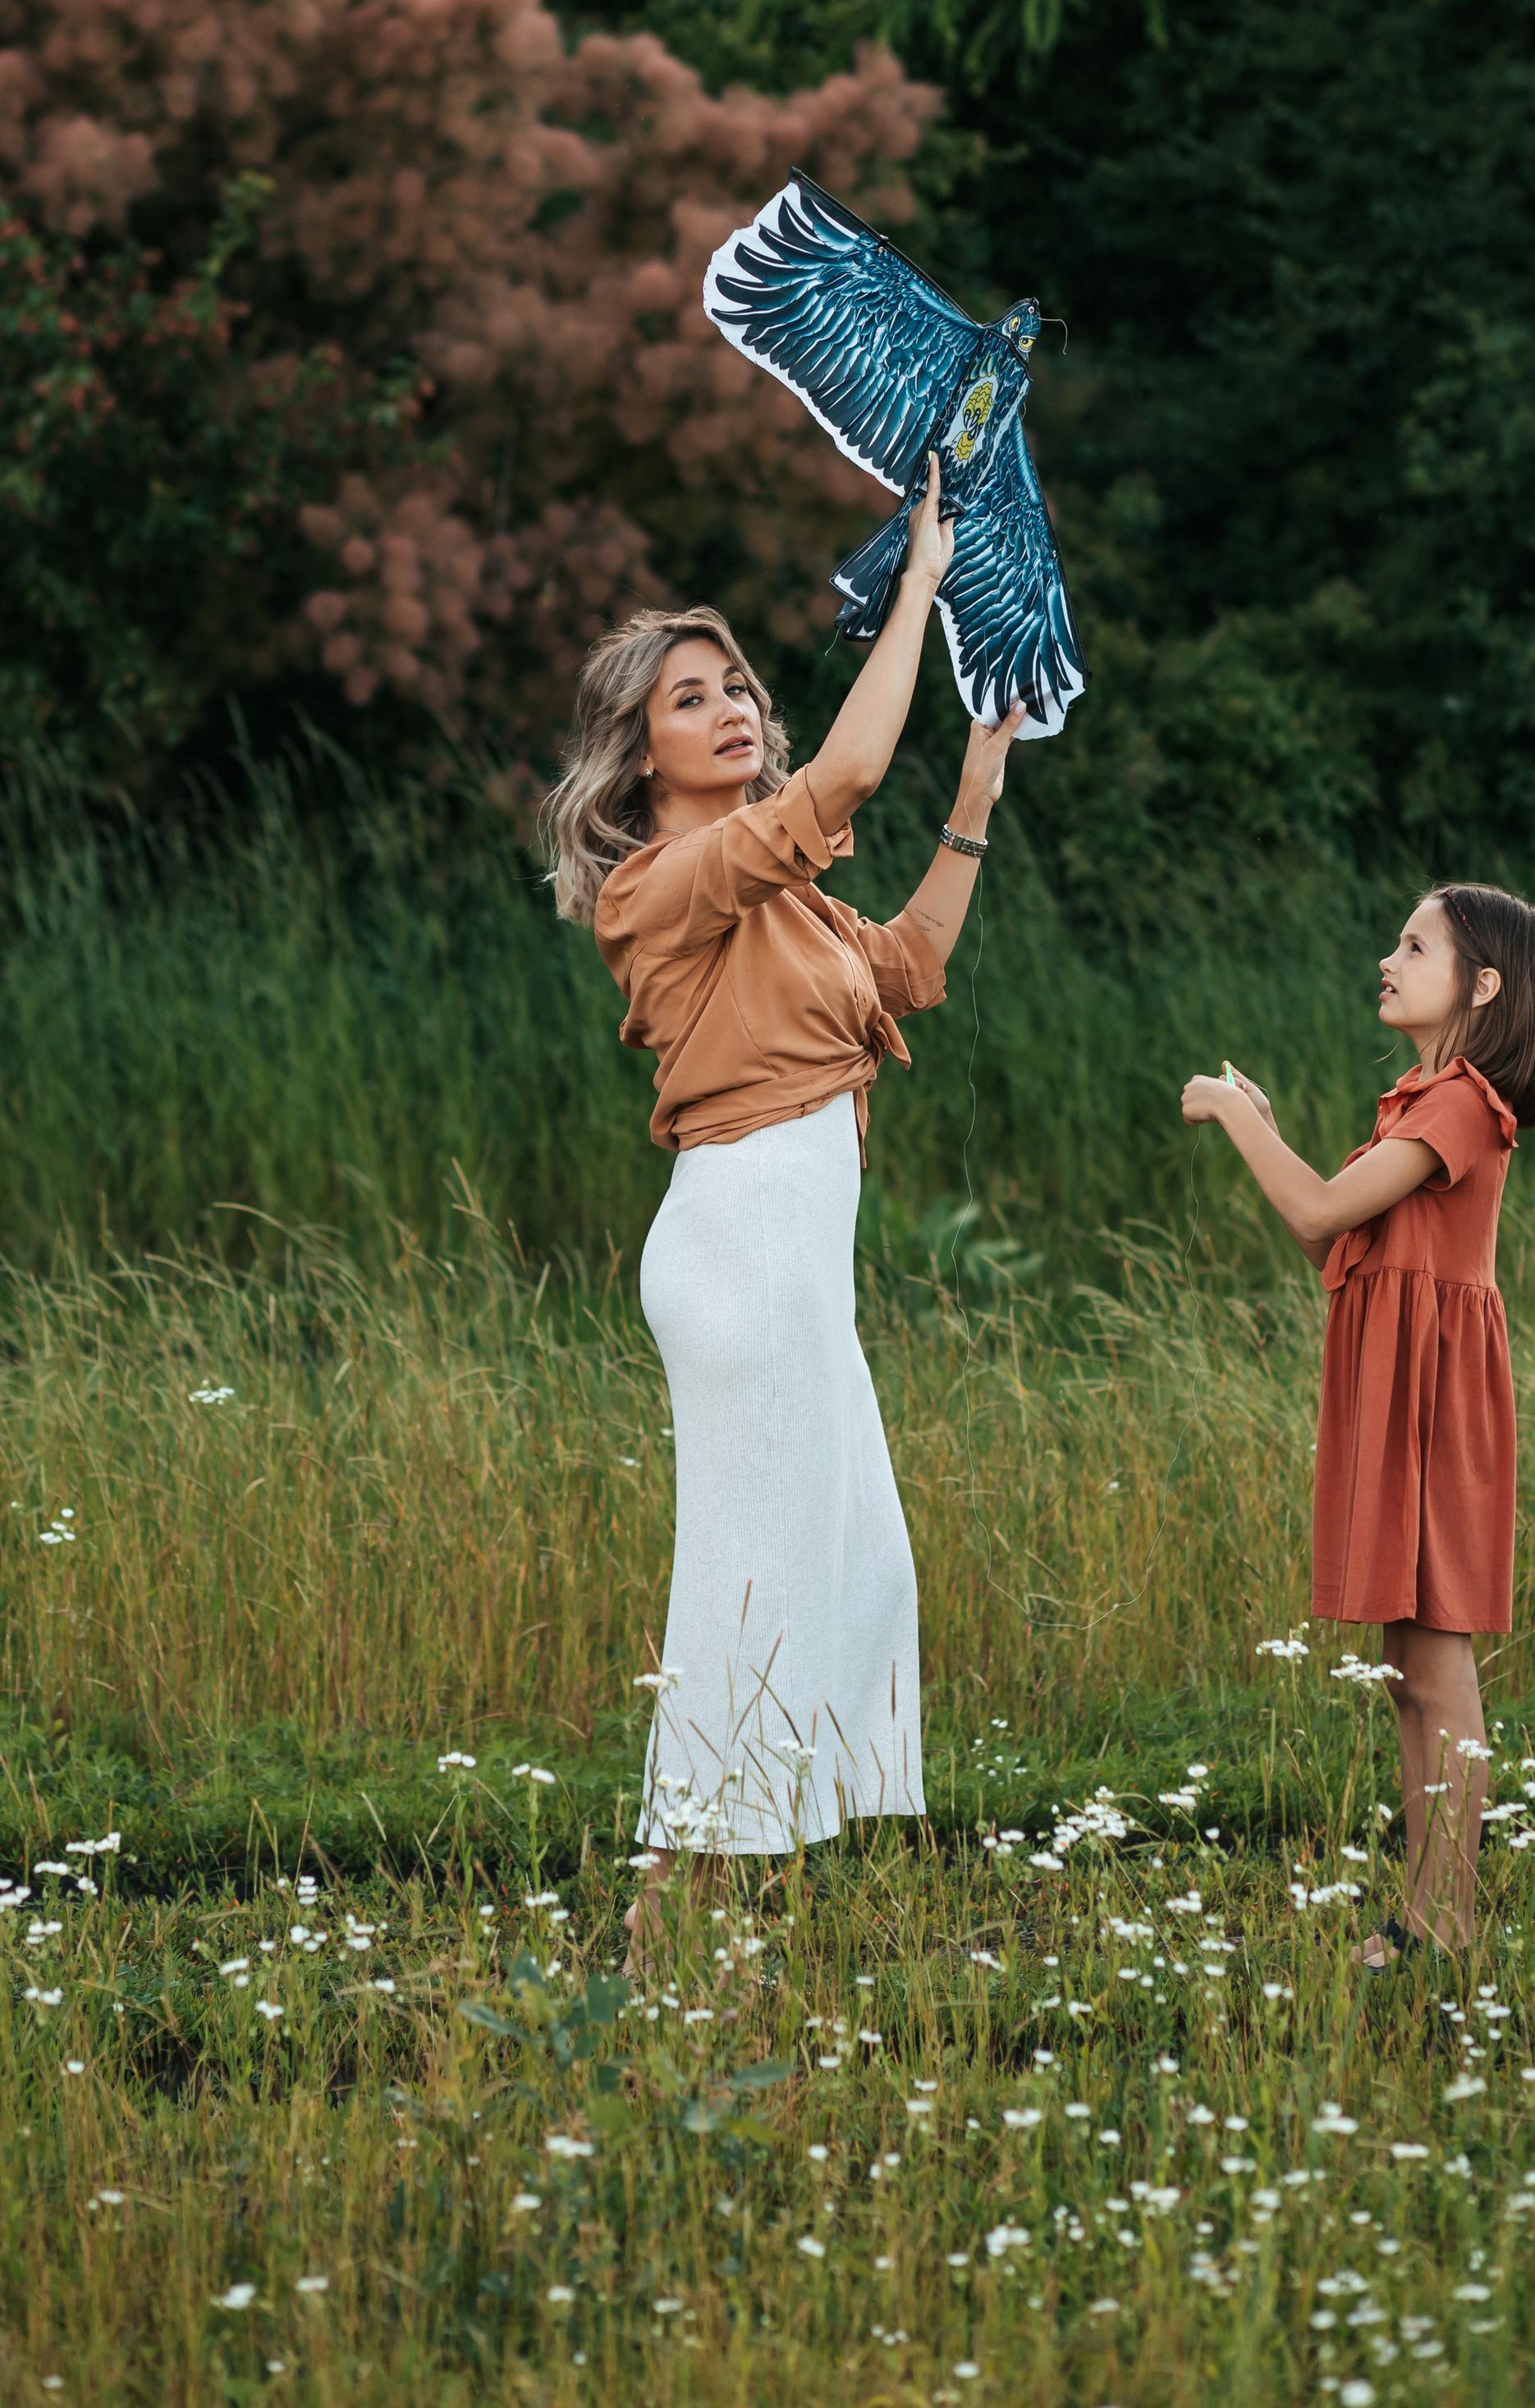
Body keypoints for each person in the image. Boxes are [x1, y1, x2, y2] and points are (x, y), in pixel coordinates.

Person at [543, 456, 1022, 1963]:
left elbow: (905, 976)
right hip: (744, 1247)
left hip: (800, 1261)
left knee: (854, 1564)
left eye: (737, 680)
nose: (733, 703)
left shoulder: (790, 900)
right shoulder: (664, 884)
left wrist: (975, 797)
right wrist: (924, 582)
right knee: (751, 1588)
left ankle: (730, 1918)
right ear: (640, 757)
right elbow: (841, 783)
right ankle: (659, 1939)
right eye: (690, 698)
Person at [1180, 885, 1535, 1963]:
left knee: (1436, 1671)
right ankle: (1429, 1914)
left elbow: (1312, 1210)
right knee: (1408, 1670)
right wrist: (1265, 1127)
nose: (1387, 959)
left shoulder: (1462, 1103)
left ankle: (1447, 1922)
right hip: (1395, 1383)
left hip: (1435, 1399)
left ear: (1482, 986)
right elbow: (1335, 1251)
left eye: (1414, 945)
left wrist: (1236, 1115)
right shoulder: (1418, 1099)